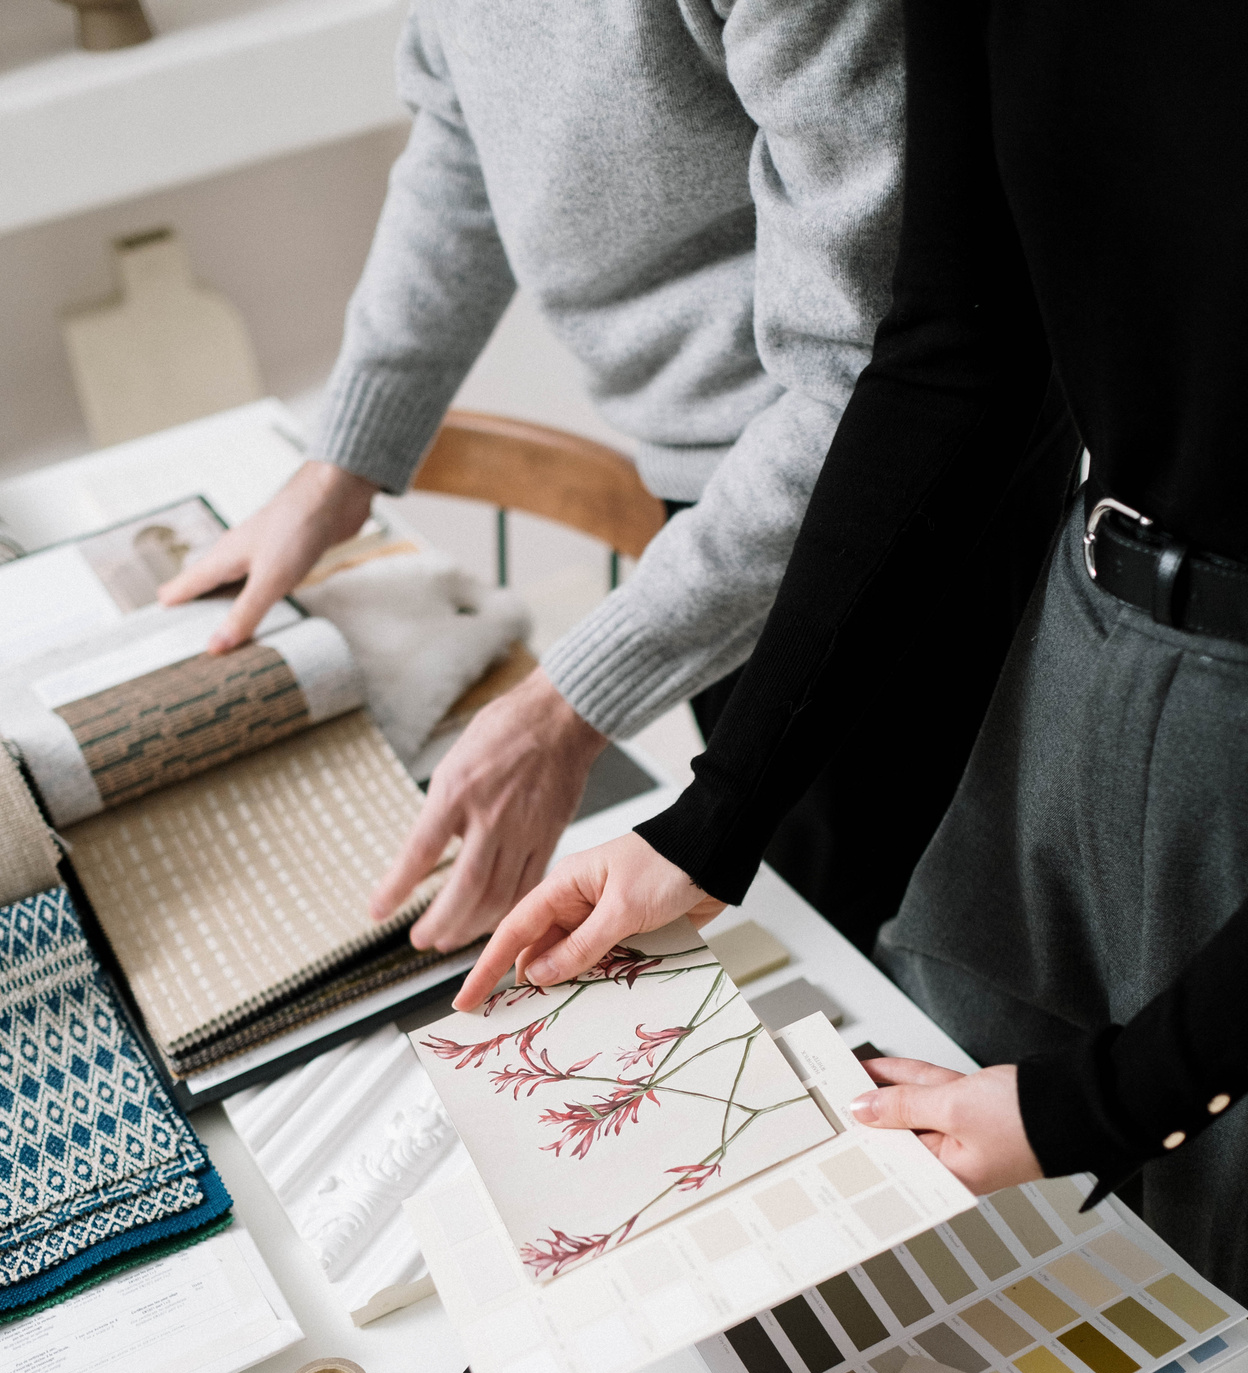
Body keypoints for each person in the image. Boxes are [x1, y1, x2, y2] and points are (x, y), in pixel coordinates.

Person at [456, 4, 1248, 1304]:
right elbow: (953, 356)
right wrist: (708, 823)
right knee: (983, 1277)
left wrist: (1105, 1104)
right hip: (1090, 647)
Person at [161, 0, 1075, 961]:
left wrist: (569, 706)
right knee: (802, 899)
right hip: (727, 489)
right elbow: (463, 128)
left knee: (911, 950)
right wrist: (340, 467)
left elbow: (884, 376)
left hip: (894, 503)